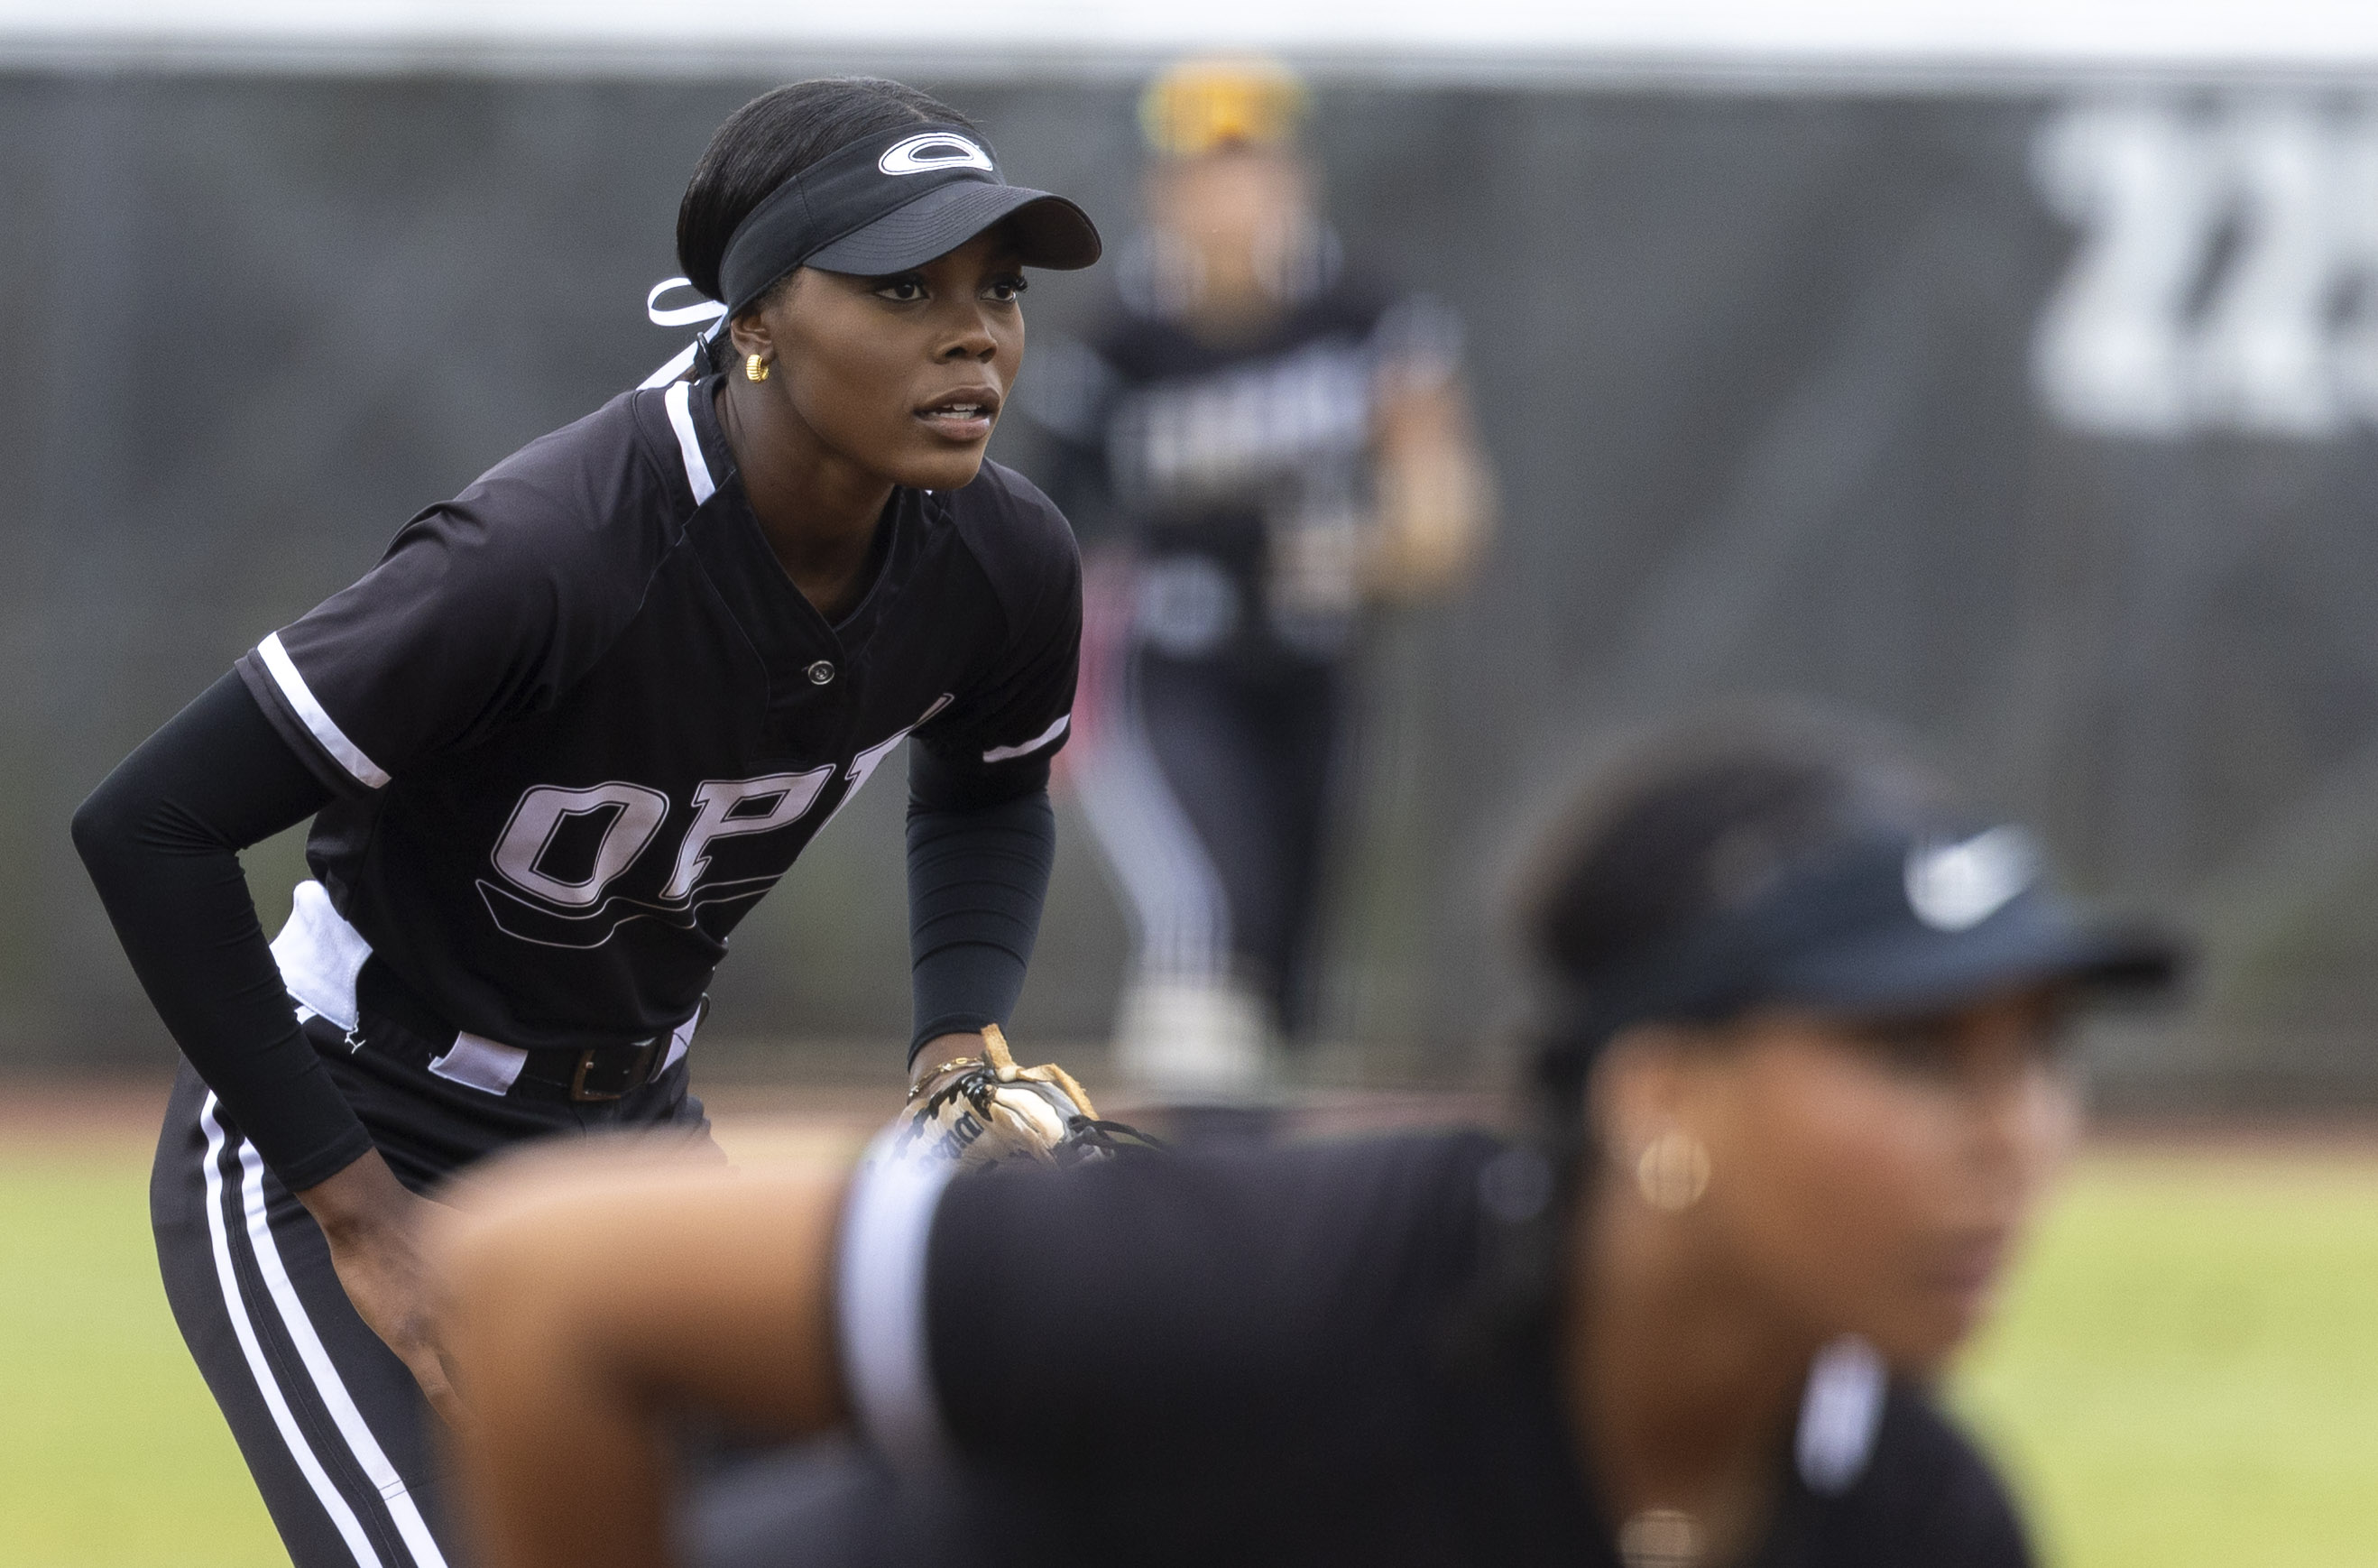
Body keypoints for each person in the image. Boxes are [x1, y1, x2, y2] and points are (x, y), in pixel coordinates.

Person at [69, 76, 1102, 1568]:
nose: (975, 332)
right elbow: (149, 823)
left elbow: (991, 789)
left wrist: (955, 1042)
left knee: (835, 1527)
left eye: (997, 288)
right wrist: (359, 1213)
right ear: (755, 316)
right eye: (902, 286)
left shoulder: (1001, 559)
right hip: (346, 1121)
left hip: (626, 1131)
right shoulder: (550, 553)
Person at [425, 709, 2181, 1568]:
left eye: (2038, 1049)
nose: (2013, 1132)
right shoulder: (1282, 1290)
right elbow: (546, 1273)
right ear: (1660, 1093)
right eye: (1911, 1051)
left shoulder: (1909, 1518)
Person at [1029, 57, 1495, 1093]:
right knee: (1208, 923)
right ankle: (1163, 1207)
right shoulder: (1121, 342)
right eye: (1204, 170)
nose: (1230, 194)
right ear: (1164, 191)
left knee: (1288, 970)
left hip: (1316, 668)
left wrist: (1377, 549)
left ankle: (1260, 1203)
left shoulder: (1362, 314)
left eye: (1252, 167)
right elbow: (1044, 527)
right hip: (1170, 668)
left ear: (1296, 179)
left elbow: (1443, 502)